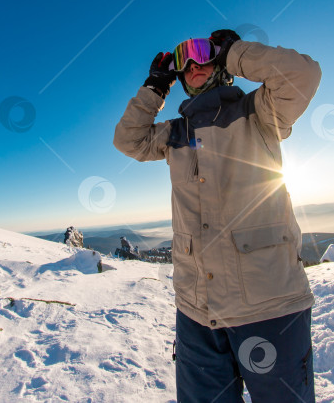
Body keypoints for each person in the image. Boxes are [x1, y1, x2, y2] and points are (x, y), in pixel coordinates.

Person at [113, 29, 322, 403]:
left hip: (267, 307)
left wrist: (236, 53)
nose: (192, 63)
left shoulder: (259, 113)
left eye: (202, 52)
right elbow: (128, 139)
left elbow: (303, 76)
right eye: (182, 60)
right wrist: (154, 88)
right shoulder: (175, 134)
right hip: (196, 313)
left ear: (219, 63)